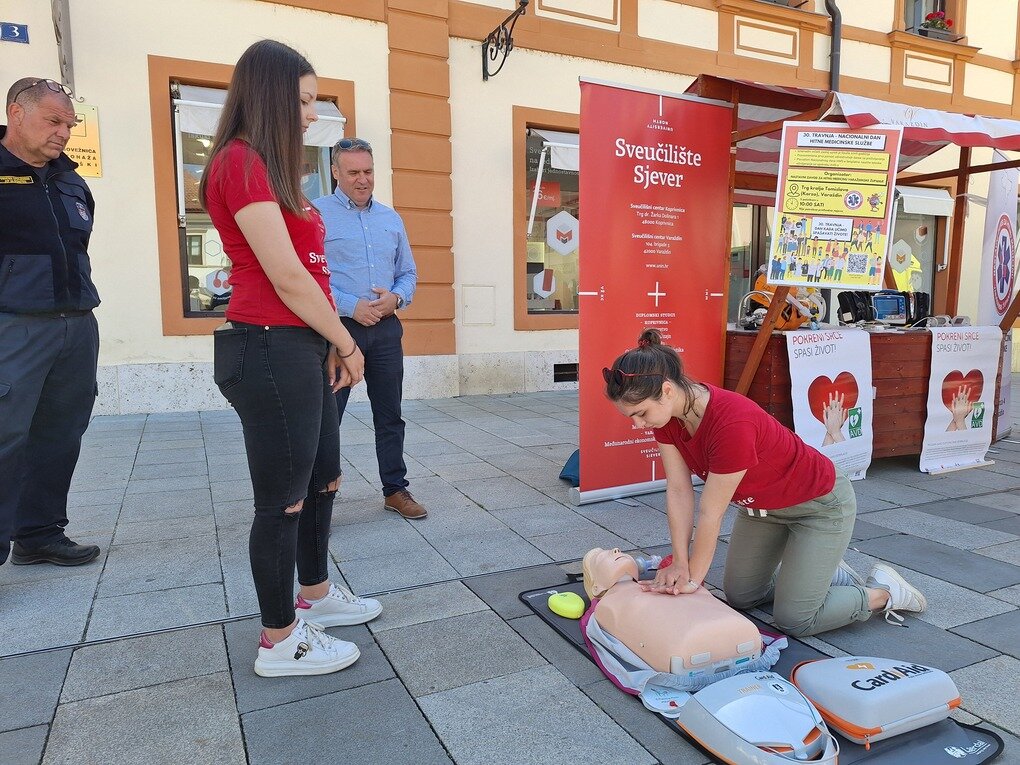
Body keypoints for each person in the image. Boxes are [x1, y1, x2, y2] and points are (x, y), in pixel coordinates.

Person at [200, 40, 381, 678]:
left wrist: (327, 338)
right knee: (281, 499)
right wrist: (347, 340)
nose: (311, 114)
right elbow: (286, 275)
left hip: (301, 341)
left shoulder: (274, 171)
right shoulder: (241, 161)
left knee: (322, 473)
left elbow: (312, 271)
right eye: (304, 100)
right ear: (273, 95)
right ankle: (280, 640)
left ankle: (315, 595)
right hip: (270, 343)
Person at [603, 329, 927, 637]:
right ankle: (815, 574)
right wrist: (679, 561)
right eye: (631, 416)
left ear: (668, 390)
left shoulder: (731, 421)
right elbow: (677, 490)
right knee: (742, 596)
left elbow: (711, 513)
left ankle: (884, 592)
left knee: (795, 619)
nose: (638, 423)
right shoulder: (669, 419)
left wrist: (692, 582)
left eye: (641, 413)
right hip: (761, 511)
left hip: (819, 508)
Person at [0, 77, 101, 568]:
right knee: (4, 436)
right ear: (16, 113)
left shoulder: (69, 178)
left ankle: (39, 533)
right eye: (54, 121)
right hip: (14, 326)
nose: (64, 132)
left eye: (69, 123)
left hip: (76, 325)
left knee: (61, 433)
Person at [314, 138, 425, 519]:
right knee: (328, 417)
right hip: (338, 332)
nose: (363, 180)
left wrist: (396, 297)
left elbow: (409, 273)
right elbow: (310, 277)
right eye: (353, 172)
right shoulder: (316, 214)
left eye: (368, 172)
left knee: (390, 414)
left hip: (387, 330)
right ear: (335, 172)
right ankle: (319, 498)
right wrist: (350, 305)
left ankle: (395, 489)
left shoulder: (390, 218)